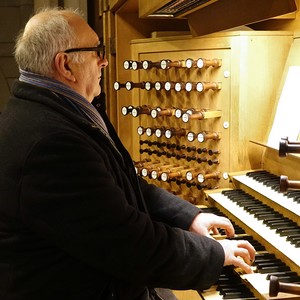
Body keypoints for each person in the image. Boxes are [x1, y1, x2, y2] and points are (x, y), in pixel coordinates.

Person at [0, 7, 256, 300]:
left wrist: (188, 216)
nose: (105, 61)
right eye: (97, 51)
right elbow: (130, 245)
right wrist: (213, 253)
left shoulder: (58, 109)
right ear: (65, 65)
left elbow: (122, 185)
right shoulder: (51, 142)